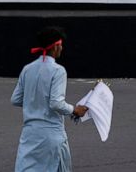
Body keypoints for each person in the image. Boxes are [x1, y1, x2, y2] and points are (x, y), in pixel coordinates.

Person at [11, 26, 88, 171]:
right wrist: (75, 110)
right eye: (61, 45)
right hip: (50, 135)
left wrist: (35, 102)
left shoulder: (28, 69)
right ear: (56, 46)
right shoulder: (58, 71)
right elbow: (56, 103)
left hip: (30, 134)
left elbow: (15, 99)